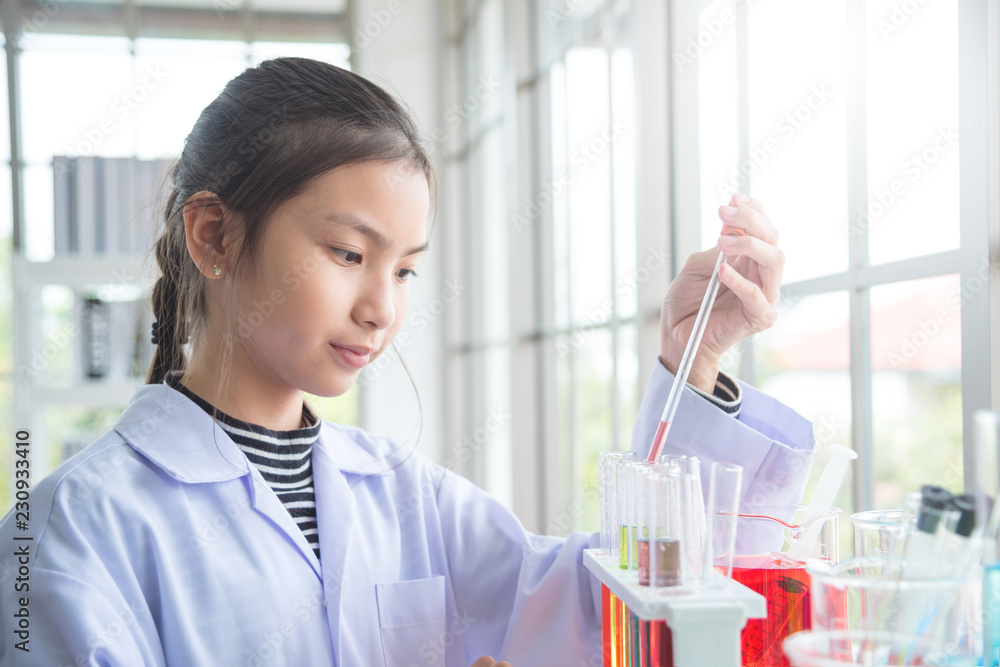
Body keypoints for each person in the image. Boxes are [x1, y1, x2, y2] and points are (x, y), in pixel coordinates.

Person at [0, 58, 812, 666]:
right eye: (349, 251)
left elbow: (604, 608)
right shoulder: (66, 537)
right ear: (213, 235)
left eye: (405, 268)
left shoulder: (401, 492)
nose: (382, 306)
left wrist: (693, 355)